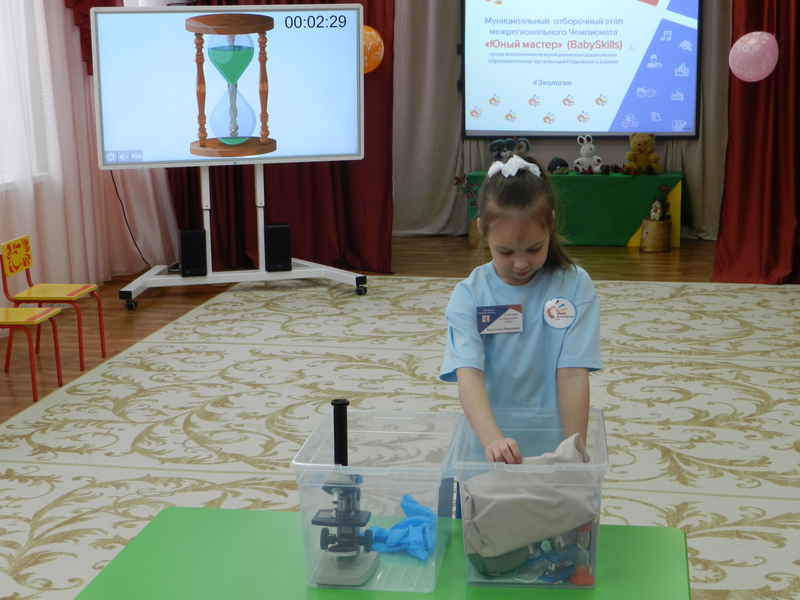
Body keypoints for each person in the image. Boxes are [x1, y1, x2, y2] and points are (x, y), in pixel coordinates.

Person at [440, 153, 602, 464]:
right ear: (482, 229)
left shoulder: (574, 286)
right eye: (505, 251)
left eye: (534, 248)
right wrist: (493, 441)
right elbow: (468, 374)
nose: (520, 263)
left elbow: (572, 374)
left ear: (550, 225)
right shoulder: (469, 296)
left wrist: (574, 452)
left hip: (553, 449)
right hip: (486, 448)